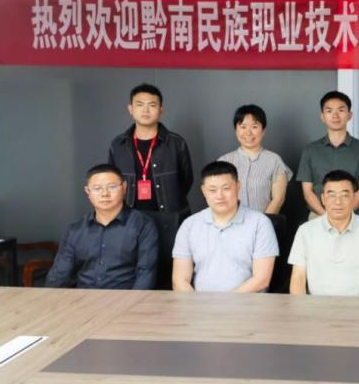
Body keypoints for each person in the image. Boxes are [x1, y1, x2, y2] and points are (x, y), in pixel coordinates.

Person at [109, 83, 193, 289]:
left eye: (152, 105)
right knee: (135, 273)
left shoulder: (176, 143)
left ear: (161, 109)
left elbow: (186, 180)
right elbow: (113, 182)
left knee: (169, 275)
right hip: (132, 218)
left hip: (170, 218)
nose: (146, 110)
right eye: (140, 104)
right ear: (130, 109)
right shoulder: (118, 144)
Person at [45, 164, 158, 289]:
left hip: (125, 297)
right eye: (97, 188)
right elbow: (60, 274)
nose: (105, 194)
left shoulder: (143, 225)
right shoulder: (75, 230)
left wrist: (133, 301)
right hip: (84, 297)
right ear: (88, 192)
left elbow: (146, 274)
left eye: (112, 187)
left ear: (124, 187)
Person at [172, 161, 278, 292]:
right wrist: (196, 304)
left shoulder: (260, 223)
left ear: (238, 186)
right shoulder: (189, 225)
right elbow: (179, 280)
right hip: (199, 302)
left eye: (226, 188)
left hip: (247, 302)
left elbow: (261, 280)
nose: (219, 196)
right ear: (203, 191)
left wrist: (227, 303)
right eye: (212, 190)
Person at [288, 170, 359, 297]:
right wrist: (300, 308)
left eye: (345, 195)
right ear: (323, 199)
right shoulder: (305, 231)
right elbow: (298, 277)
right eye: (331, 195)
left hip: (358, 305)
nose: (338, 202)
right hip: (315, 304)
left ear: (354, 198)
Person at [296, 91, 359, 219]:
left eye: (341, 110)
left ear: (349, 115)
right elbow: (307, 192)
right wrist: (326, 216)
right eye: (329, 111)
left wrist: (343, 215)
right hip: (318, 216)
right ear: (322, 116)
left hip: (352, 217)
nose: (335, 115)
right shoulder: (310, 150)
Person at [218, 104, 292, 214]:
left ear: (263, 131)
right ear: (236, 130)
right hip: (230, 222)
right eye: (243, 127)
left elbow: (278, 199)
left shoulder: (274, 160)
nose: (248, 132)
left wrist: (262, 222)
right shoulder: (224, 161)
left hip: (265, 222)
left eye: (254, 127)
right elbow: (217, 197)